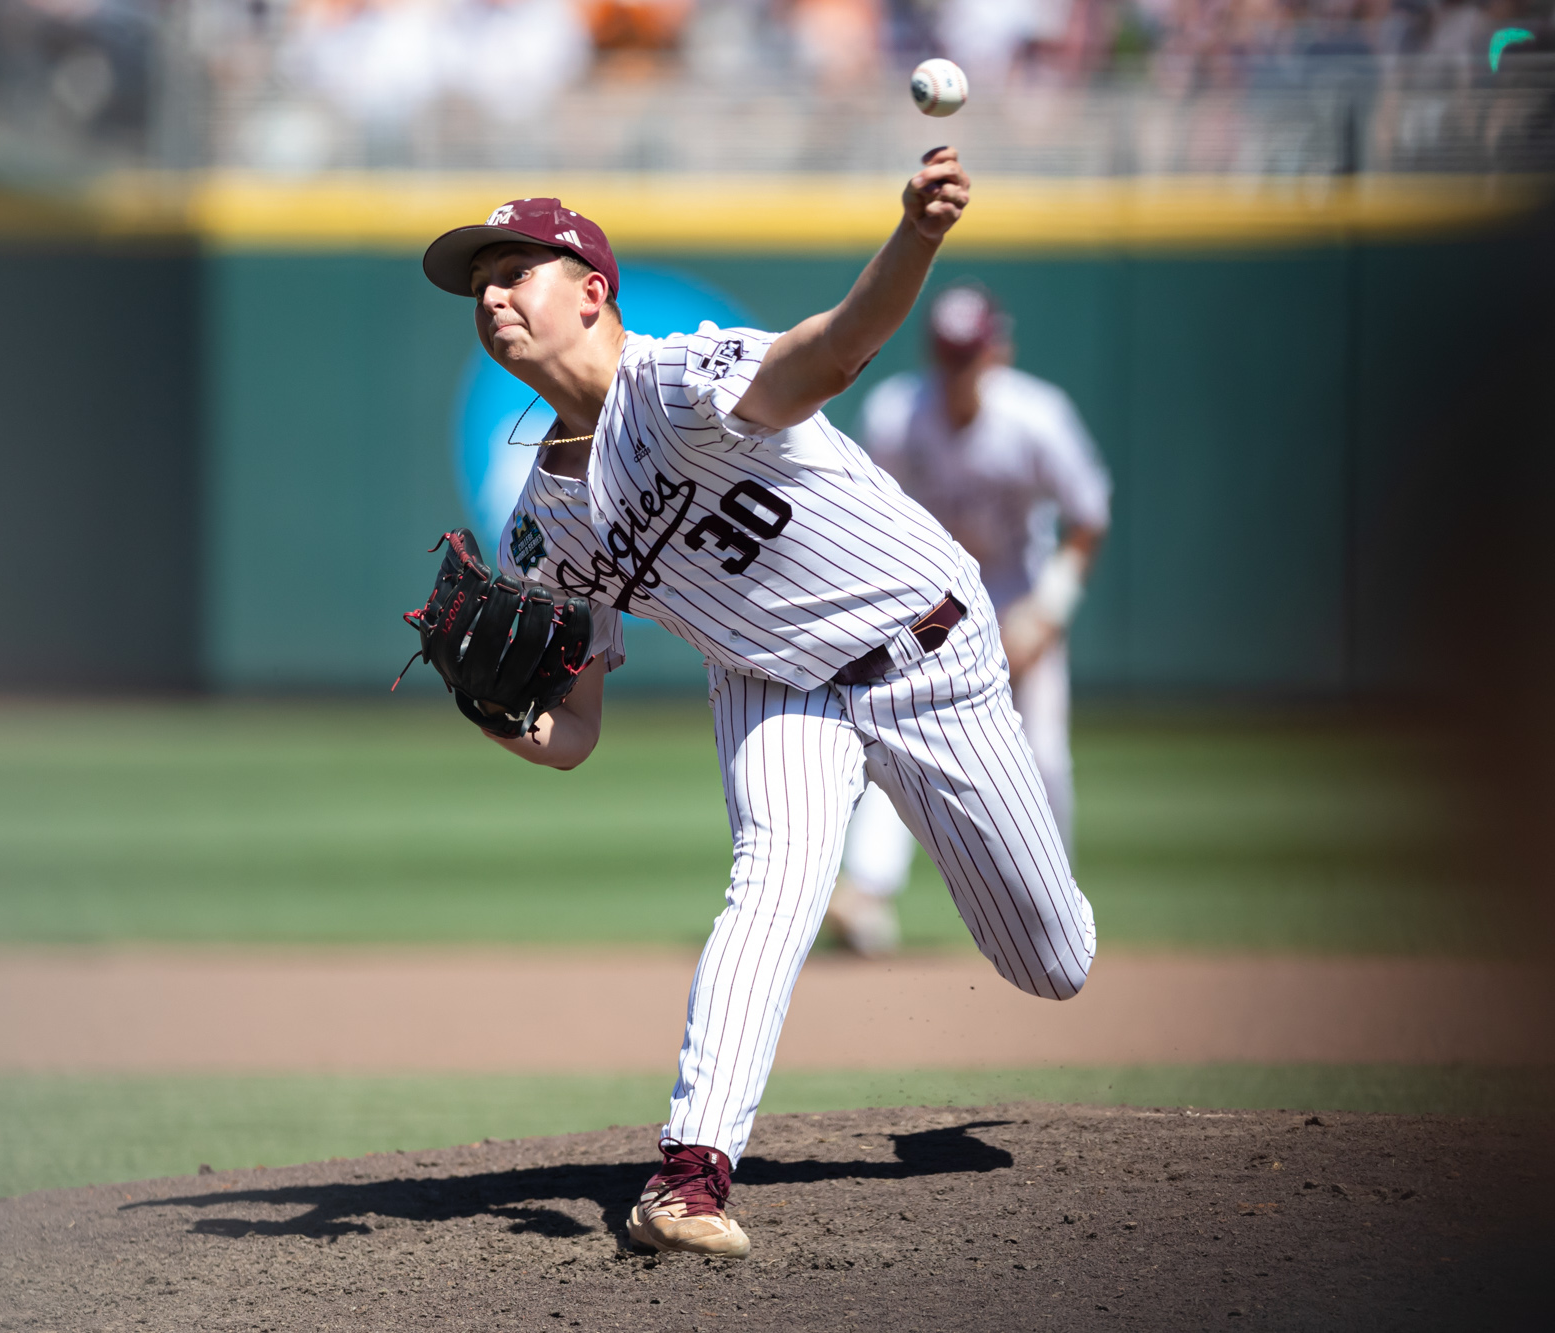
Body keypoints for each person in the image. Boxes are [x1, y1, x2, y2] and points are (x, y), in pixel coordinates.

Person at [416, 150, 1096, 1260]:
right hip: (776, 689)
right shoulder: (540, 526)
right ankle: (687, 1178)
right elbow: (576, 730)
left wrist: (916, 233)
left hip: (927, 648)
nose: (491, 294)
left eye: (514, 268)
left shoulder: (684, 379)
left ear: (591, 287)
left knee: (1050, 961)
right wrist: (503, 719)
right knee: (768, 891)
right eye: (476, 282)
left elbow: (828, 352)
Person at [825, 282, 1111, 956]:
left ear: (997, 351)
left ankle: (1051, 902)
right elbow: (868, 516)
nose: (959, 370)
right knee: (899, 736)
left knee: (1041, 752)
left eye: (971, 354)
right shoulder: (898, 414)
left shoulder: (1037, 416)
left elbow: (1089, 515)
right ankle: (866, 893)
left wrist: (1049, 611)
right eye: (948, 356)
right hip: (934, 600)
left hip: (1018, 590)